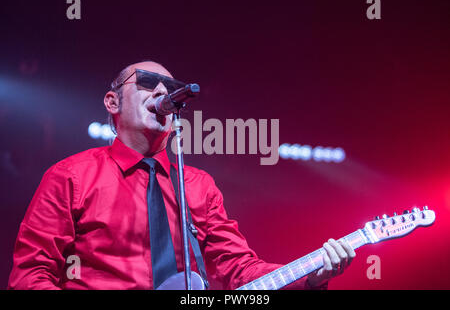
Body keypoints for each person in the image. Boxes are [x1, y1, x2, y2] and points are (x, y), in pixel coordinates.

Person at [8, 61, 355, 290]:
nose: (163, 93)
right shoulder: (71, 176)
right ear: (112, 103)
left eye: (170, 87)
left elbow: (239, 269)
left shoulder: (198, 186)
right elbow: (30, 274)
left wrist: (311, 276)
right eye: (147, 83)